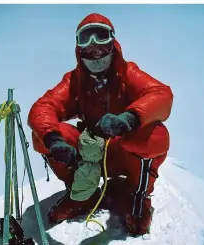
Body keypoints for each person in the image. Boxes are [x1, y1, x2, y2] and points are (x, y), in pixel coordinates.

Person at [27, 13, 173, 236]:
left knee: (156, 136)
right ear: (78, 47)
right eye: (86, 38)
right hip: (88, 151)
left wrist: (128, 119)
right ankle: (82, 194)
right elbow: (44, 107)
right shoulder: (75, 80)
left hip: (120, 150)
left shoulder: (127, 73)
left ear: (113, 41)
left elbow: (161, 94)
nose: (94, 46)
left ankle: (137, 194)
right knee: (42, 135)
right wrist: (54, 140)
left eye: (101, 36)